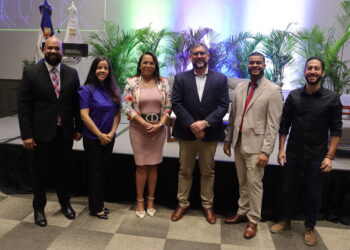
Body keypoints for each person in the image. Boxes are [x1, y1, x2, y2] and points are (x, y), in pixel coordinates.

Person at [269, 57, 342, 246]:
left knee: (314, 193)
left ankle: (310, 227)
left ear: (322, 72)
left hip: (317, 156)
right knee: (287, 189)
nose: (313, 71)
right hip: (292, 153)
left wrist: (330, 156)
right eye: (309, 68)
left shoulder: (332, 99)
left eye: (316, 68)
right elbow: (284, 125)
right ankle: (285, 220)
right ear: (304, 71)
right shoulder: (293, 96)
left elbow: (336, 130)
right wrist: (281, 149)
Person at [18, 36, 82, 227]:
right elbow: (24, 106)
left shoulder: (72, 73)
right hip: (40, 134)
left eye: (57, 48)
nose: (53, 51)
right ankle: (39, 209)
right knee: (40, 174)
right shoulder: (31, 73)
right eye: (50, 48)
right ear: (43, 49)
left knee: (64, 171)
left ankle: (65, 204)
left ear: (62, 51)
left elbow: (76, 104)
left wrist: (78, 128)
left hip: (65, 134)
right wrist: (27, 135)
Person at [224, 52, 283, 239]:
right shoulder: (240, 87)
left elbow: (273, 125)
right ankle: (242, 212)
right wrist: (227, 139)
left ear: (264, 65)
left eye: (259, 63)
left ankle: (253, 220)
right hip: (238, 143)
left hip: (257, 147)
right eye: (252, 63)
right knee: (242, 182)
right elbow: (233, 116)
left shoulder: (273, 90)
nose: (255, 65)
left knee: (254, 184)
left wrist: (266, 151)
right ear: (247, 65)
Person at [171, 43, 229, 224]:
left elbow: (223, 105)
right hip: (186, 133)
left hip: (210, 134)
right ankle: (182, 203)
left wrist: (205, 123)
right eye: (195, 54)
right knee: (185, 170)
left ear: (208, 56)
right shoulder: (180, 78)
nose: (199, 56)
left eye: (202, 53)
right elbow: (176, 103)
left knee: (207, 172)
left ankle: (207, 205)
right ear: (190, 57)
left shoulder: (220, 79)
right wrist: (192, 125)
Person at [122, 52, 171, 219]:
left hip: (158, 129)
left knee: (154, 165)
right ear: (140, 65)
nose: (148, 65)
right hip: (138, 128)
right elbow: (127, 106)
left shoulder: (163, 83)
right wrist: (144, 124)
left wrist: (160, 123)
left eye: (151, 63)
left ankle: (151, 200)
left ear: (155, 65)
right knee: (141, 165)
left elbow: (168, 106)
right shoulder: (131, 82)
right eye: (145, 63)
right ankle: (140, 201)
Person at [79, 57, 121, 219]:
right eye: (99, 67)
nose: (102, 70)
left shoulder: (113, 90)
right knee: (95, 173)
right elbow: (84, 116)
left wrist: (111, 133)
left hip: (109, 138)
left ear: (109, 71)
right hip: (93, 139)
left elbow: (117, 114)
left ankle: (99, 203)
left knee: (103, 171)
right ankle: (95, 207)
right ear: (93, 70)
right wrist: (100, 135)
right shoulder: (86, 89)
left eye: (105, 68)